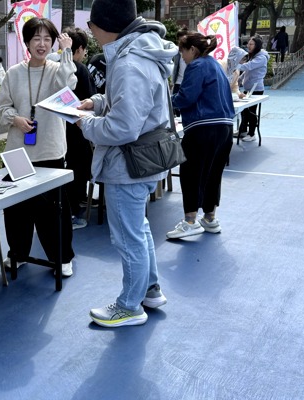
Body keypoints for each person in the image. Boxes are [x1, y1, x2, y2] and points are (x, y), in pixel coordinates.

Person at [77, 0, 174, 327]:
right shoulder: (143, 51)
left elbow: (122, 127)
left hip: (127, 166)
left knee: (128, 237)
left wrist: (85, 123)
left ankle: (130, 306)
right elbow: (136, 105)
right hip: (146, 159)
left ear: (99, 26)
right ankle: (150, 289)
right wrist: (99, 101)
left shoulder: (128, 62)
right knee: (139, 229)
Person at [0, 17, 77, 277]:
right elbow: (2, 108)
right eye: (36, 38)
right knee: (16, 207)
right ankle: (18, 254)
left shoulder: (56, 69)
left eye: (47, 39)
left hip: (50, 150)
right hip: (18, 151)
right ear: (27, 43)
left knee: (53, 210)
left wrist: (66, 53)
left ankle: (62, 257)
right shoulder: (13, 73)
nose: (41, 44)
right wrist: (15, 119)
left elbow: (68, 86)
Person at [166, 32, 235, 240]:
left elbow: (186, 97)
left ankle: (189, 221)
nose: (182, 56)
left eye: (183, 51)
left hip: (203, 127)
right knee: (213, 173)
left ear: (192, 50)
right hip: (225, 127)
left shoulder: (196, 66)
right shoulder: (216, 65)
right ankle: (210, 218)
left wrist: (166, 99)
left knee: (191, 172)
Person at [62, 27, 97, 230]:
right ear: (81, 48)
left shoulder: (54, 66)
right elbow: (90, 98)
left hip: (56, 129)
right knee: (79, 168)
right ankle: (74, 212)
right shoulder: (80, 69)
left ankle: (71, 207)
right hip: (78, 128)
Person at [236, 36, 268, 142]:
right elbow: (247, 72)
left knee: (251, 112)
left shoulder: (261, 58)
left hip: (256, 88)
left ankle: (252, 133)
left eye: (251, 44)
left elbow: (248, 67)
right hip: (247, 87)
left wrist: (232, 65)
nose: (248, 46)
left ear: (257, 46)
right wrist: (239, 80)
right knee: (244, 111)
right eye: (248, 44)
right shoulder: (253, 56)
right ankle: (243, 130)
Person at [171, 29, 189, 94]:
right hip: (178, 82)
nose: (181, 42)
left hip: (187, 82)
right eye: (179, 40)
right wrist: (172, 82)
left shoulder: (191, 51)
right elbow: (175, 66)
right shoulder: (177, 52)